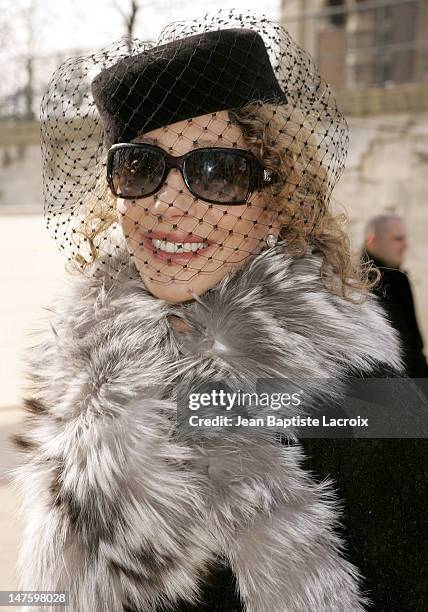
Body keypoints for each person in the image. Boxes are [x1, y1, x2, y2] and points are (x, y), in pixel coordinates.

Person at [9, 10, 427, 612]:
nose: (169, 206)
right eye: (140, 166)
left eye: (218, 172)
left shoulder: (371, 405)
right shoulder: (80, 380)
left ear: (281, 196)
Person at [362, 214, 428, 378]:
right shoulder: (360, 282)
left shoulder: (399, 279)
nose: (405, 245)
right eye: (397, 239)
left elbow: (414, 344)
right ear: (373, 241)